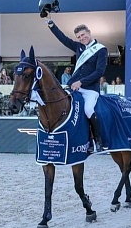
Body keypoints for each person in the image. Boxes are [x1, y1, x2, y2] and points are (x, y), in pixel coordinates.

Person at [44, 16, 108, 153]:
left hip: (90, 88)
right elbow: (63, 38)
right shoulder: (78, 46)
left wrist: (82, 82)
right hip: (74, 86)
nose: (81, 38)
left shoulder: (101, 50)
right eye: (79, 37)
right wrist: (51, 24)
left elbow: (99, 72)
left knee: (88, 110)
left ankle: (97, 140)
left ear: (89, 32)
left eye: (83, 35)